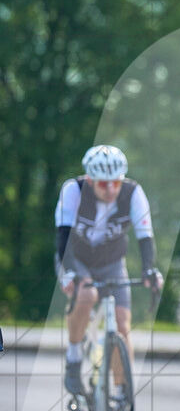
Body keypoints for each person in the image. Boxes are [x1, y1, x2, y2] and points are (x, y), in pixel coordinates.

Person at [55, 145, 163, 397]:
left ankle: (120, 394)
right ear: (90, 180)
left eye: (116, 182)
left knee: (123, 325)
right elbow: (62, 237)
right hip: (75, 258)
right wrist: (71, 273)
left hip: (112, 261)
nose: (111, 189)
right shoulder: (74, 190)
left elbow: (145, 236)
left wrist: (149, 269)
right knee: (86, 296)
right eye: (103, 184)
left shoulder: (133, 192)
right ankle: (73, 360)